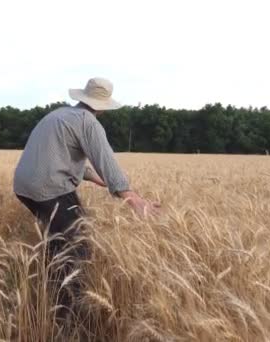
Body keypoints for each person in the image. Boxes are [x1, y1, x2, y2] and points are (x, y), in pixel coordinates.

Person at [13, 77, 160, 322]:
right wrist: (131, 198)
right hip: (49, 188)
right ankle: (65, 311)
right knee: (79, 243)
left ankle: (48, 286)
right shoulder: (88, 123)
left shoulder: (59, 115)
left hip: (24, 187)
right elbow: (105, 159)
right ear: (102, 105)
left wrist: (94, 178)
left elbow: (62, 156)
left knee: (59, 235)